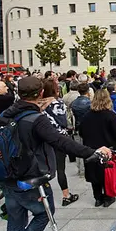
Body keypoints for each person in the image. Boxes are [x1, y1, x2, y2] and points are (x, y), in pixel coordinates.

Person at [0, 76, 111, 231]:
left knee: (16, 219)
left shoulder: (7, 113)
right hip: (30, 175)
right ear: (41, 93)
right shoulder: (36, 119)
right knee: (45, 213)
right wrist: (91, 152)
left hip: (7, 175)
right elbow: (60, 141)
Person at [78, 88, 116, 207]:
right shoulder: (111, 115)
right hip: (107, 149)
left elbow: (81, 131)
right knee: (107, 174)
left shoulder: (87, 115)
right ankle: (108, 197)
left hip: (90, 148)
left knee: (94, 175)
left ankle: (97, 198)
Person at [41, 79, 79, 207]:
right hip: (58, 138)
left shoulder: (39, 104)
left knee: (45, 167)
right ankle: (66, 195)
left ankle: (41, 194)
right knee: (60, 168)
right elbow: (63, 122)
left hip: (44, 137)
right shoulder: (57, 103)